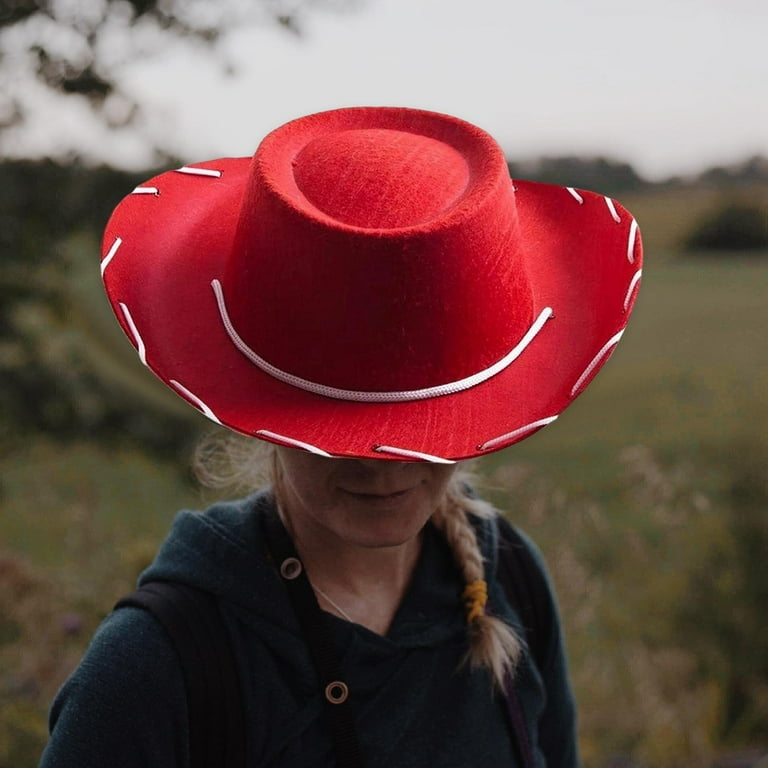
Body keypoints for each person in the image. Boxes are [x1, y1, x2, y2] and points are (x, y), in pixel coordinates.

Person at [40, 106, 643, 767]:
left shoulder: (512, 580)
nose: (381, 466)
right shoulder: (160, 665)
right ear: (268, 414)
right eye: (338, 426)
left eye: (413, 431)